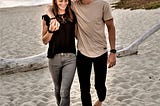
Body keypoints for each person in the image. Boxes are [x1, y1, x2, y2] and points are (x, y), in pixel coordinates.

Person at [46, 0, 116, 106]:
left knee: (100, 86)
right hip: (82, 53)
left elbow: (111, 27)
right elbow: (50, 7)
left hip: (101, 52)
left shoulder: (103, 5)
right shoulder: (74, 5)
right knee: (84, 88)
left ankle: (100, 100)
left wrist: (113, 52)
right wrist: (52, 18)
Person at [41, 0, 77, 106]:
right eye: (60, 1)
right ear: (55, 1)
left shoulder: (72, 16)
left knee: (64, 91)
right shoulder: (47, 18)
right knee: (57, 89)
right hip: (53, 58)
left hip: (70, 58)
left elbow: (77, 35)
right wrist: (51, 31)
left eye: (66, 0)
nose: (64, 3)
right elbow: (44, 41)